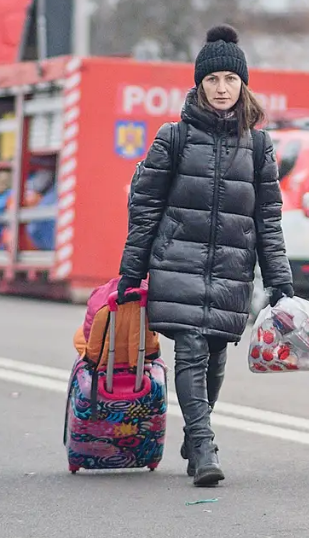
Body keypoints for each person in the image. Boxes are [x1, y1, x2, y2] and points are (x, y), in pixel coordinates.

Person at [118, 24, 293, 488]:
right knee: (192, 348)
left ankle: (196, 433)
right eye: (212, 80)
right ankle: (204, 442)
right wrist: (131, 272)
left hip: (232, 269)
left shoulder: (258, 146)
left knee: (216, 353)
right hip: (178, 262)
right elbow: (145, 208)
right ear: (199, 84)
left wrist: (280, 279)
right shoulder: (173, 137)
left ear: (243, 85)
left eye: (229, 80)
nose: (221, 89)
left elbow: (268, 218)